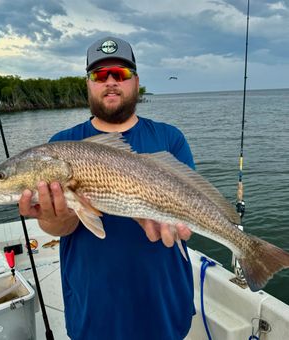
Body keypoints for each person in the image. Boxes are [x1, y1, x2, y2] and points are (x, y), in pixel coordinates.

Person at [19, 36, 196, 340]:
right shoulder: (62, 144)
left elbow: (192, 205)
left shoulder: (170, 138)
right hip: (95, 308)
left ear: (136, 81)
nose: (111, 81)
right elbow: (58, 227)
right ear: (88, 83)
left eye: (121, 74)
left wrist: (179, 222)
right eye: (100, 75)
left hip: (164, 303)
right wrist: (57, 216)